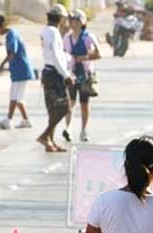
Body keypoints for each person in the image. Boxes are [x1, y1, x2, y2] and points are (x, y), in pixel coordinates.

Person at [38, 4, 75, 153]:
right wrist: (66, 75)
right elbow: (56, 55)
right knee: (65, 107)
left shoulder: (47, 31)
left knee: (53, 109)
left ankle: (50, 142)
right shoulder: (53, 32)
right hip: (54, 74)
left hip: (50, 72)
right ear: (60, 18)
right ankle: (45, 135)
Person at [63, 10, 101, 143]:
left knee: (84, 103)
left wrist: (84, 57)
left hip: (85, 74)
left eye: (75, 20)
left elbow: (98, 54)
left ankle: (84, 130)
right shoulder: (66, 38)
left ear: (81, 22)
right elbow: (63, 54)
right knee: (70, 102)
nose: (72, 23)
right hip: (71, 74)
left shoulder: (88, 37)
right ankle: (68, 128)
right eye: (71, 20)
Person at [0, 15, 34, 130]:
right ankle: (26, 120)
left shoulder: (11, 35)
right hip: (20, 70)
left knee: (14, 96)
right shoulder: (12, 33)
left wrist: (1, 65)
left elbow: (12, 53)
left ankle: (8, 120)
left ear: (2, 26)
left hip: (20, 70)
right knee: (19, 98)